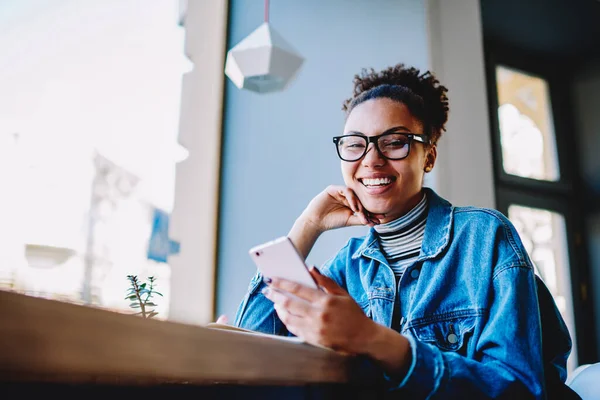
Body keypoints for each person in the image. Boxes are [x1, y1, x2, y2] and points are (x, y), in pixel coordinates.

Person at [224, 64, 578, 399]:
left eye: (394, 142)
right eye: (354, 143)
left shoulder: (484, 237)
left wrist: (372, 339)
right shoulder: (348, 266)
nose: (371, 159)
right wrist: (307, 227)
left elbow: (518, 390)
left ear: (428, 156)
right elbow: (250, 353)